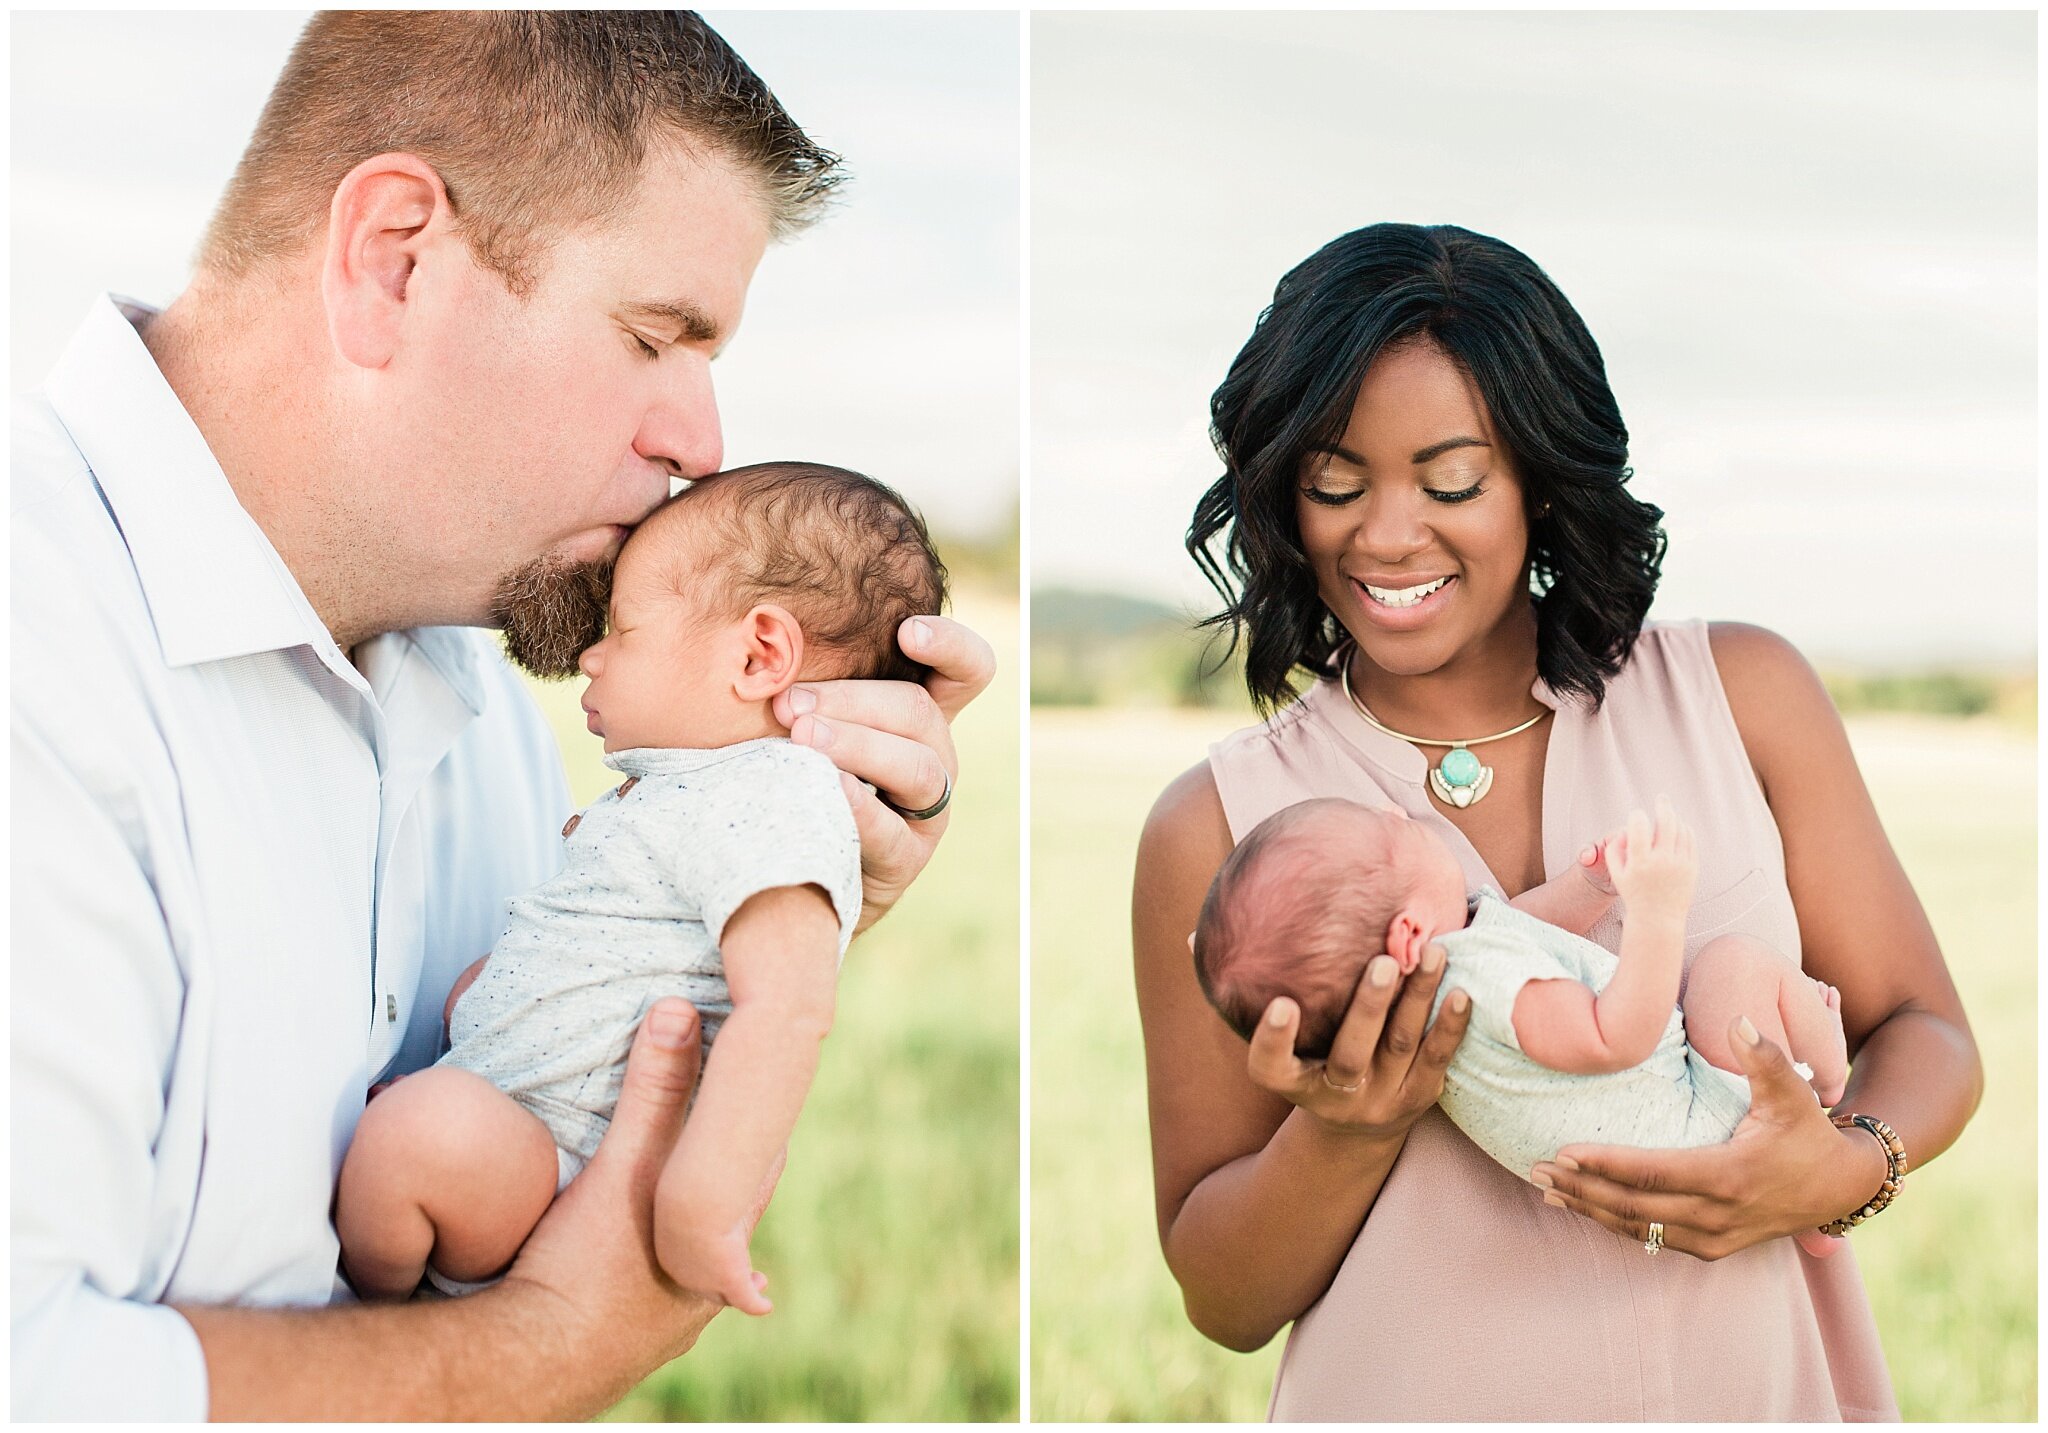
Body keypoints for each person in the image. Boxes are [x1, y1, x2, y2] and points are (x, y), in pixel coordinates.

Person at [12, 14, 993, 1421]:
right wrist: (536, 1357)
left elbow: (559, 1080)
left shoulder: (483, 710)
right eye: (657, 335)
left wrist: (798, 874)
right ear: (393, 258)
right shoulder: (30, 651)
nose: (700, 441)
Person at [1133, 222, 1977, 1420]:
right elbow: (1221, 1296)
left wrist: (1842, 1163)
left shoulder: (1744, 694)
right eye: (1333, 482)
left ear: (1538, 475)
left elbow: (1927, 1029)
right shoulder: (1211, 825)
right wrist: (1346, 1127)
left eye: (1450, 480)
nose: (1382, 533)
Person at [336, 463, 943, 1309]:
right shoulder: (691, 793)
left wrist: (700, 1207)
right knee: (417, 1133)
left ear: (759, 654)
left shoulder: (775, 792)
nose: (591, 655)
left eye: (622, 628)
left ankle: (382, 1312)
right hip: (518, 1124)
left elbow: (789, 1006)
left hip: (561, 1159)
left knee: (412, 1139)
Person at [1192, 796, 1852, 1259]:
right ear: (1409, 932)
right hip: (1702, 1128)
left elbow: (1524, 936)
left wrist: (1587, 886)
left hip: (1685, 1153)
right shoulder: (1481, 986)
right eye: (1394, 834)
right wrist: (1658, 908)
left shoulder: (1449, 981)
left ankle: (1810, 1214)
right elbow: (1613, 1036)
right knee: (1731, 964)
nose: (1400, 814)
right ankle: (1826, 1074)